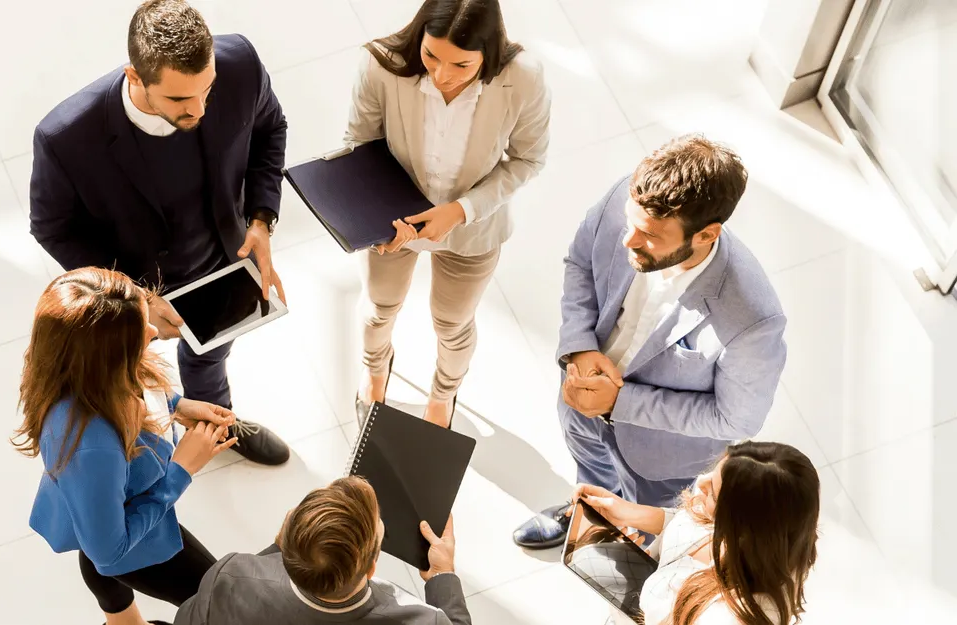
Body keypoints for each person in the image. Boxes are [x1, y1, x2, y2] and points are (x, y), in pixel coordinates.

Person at [29, 0, 291, 466]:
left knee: (209, 355)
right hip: (130, 282)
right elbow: (51, 225)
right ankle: (139, 453)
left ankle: (217, 422)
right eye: (179, 100)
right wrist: (133, 297)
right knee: (123, 384)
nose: (200, 109)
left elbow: (271, 128)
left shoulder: (241, 66)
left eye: (206, 91)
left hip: (222, 260)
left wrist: (261, 219)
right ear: (135, 77)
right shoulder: (65, 138)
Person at [513, 134, 787, 549]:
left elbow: (737, 420)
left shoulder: (752, 318)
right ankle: (586, 517)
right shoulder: (631, 203)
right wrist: (581, 345)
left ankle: (628, 546)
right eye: (630, 224)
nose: (628, 241)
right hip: (580, 400)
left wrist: (618, 404)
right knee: (590, 473)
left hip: (659, 459)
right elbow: (580, 264)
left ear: (706, 235)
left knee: (642, 534)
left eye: (651, 237)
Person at [347, 0, 551, 427]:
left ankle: (443, 394)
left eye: (461, 64)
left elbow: (527, 160)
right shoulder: (381, 66)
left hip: (473, 228)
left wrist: (460, 211)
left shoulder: (524, 78)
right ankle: (374, 369)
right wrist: (375, 217)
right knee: (380, 307)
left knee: (452, 322)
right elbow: (359, 147)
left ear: (487, 53)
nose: (442, 75)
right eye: (431, 55)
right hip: (393, 221)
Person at [15, 267, 242, 625]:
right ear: (108, 361)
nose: (153, 332)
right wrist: (180, 471)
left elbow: (140, 388)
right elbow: (107, 551)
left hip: (107, 511)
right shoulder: (91, 449)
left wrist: (177, 406)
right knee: (225, 603)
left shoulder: (92, 373)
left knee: (93, 544)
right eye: (142, 333)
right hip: (132, 544)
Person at [575, 441, 820, 625]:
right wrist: (628, 513)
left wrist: (597, 541)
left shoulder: (724, 617)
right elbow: (691, 524)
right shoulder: (780, 538)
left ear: (742, 527)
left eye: (713, 491)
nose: (700, 481)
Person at [174, 476, 470, 625]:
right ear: (371, 568)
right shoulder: (422, 620)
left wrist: (279, 549)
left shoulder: (227, 580)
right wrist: (442, 575)